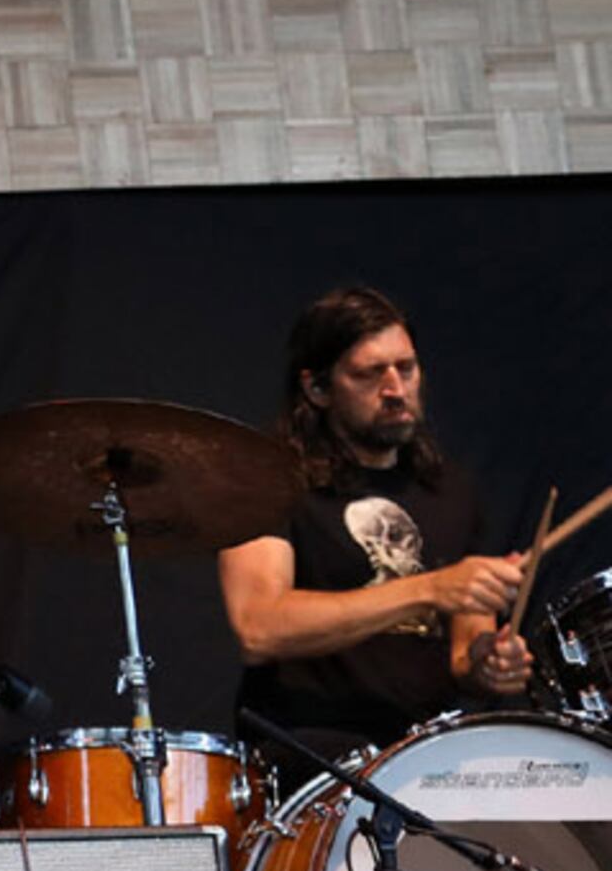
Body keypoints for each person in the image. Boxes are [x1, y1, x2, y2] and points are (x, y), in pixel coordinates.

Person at [218, 284, 532, 750]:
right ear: (317, 388)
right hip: (316, 760)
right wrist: (429, 588)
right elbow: (259, 627)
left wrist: (490, 664)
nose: (395, 389)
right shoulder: (270, 482)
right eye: (369, 374)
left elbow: (467, 649)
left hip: (429, 758)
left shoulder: (452, 490)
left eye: (406, 368)